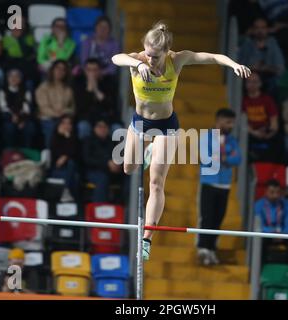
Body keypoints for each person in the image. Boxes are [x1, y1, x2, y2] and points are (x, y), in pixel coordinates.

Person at [112, 22, 251, 261]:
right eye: (147, 54)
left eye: (155, 56)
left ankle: (147, 238)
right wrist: (136, 63)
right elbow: (116, 58)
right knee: (129, 168)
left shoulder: (177, 60)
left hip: (167, 127)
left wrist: (234, 64)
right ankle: (149, 149)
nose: (150, 60)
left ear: (167, 52)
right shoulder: (138, 60)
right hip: (140, 123)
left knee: (156, 183)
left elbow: (213, 57)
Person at [197, 108, 241, 266]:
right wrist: (224, 158)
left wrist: (223, 158)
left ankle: (212, 248)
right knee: (207, 217)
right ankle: (202, 247)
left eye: (232, 123)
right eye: (228, 122)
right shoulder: (207, 137)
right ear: (219, 121)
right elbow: (206, 158)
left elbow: (238, 159)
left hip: (224, 184)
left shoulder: (232, 141)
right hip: (209, 182)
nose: (231, 126)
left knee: (218, 218)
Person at [254, 179, 288, 264]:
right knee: (259, 242)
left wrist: (283, 234)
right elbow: (259, 225)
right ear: (266, 191)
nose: (275, 195)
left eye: (278, 192)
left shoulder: (287, 204)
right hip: (266, 234)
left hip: (283, 234)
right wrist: (271, 233)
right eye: (272, 192)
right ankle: (261, 268)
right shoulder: (258, 205)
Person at [74, 58, 118, 140]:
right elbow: (80, 108)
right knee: (83, 127)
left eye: (94, 70)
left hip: (105, 119)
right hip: (87, 119)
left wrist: (96, 90)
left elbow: (110, 105)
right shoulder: (79, 83)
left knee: (117, 129)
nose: (91, 73)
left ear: (100, 71)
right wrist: (89, 91)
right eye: (89, 70)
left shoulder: (108, 83)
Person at [242, 72, 281, 162]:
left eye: (255, 82)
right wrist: (254, 132)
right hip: (249, 133)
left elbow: (274, 123)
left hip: (266, 132)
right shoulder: (242, 100)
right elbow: (242, 122)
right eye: (249, 81)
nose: (252, 84)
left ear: (260, 84)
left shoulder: (267, 100)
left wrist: (269, 133)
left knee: (279, 142)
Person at [239, 17, 284, 93]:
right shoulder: (247, 44)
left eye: (263, 27)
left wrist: (265, 68)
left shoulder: (273, 44)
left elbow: (280, 69)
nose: (260, 30)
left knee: (273, 83)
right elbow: (239, 66)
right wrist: (252, 67)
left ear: (267, 29)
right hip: (249, 78)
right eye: (257, 28)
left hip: (268, 79)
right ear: (253, 30)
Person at [36, 60, 75, 148]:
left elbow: (72, 108)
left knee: (68, 127)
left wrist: (64, 112)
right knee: (53, 127)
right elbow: (43, 107)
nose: (60, 71)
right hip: (47, 118)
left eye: (63, 69)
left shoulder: (68, 89)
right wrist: (56, 114)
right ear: (52, 70)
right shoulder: (43, 87)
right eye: (58, 68)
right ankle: (50, 155)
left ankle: (66, 157)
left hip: (63, 119)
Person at [82, 119, 121, 202]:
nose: (102, 129)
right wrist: (107, 163)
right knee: (102, 178)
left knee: (130, 176)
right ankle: (99, 208)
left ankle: (124, 208)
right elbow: (87, 160)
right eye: (99, 126)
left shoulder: (112, 142)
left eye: (105, 127)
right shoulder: (88, 141)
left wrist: (117, 165)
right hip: (92, 171)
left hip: (111, 171)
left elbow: (118, 158)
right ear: (94, 128)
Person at [0, 69, 35, 148]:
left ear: (20, 79)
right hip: (8, 117)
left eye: (16, 76)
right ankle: (9, 151)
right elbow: (3, 107)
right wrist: (12, 117)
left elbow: (27, 108)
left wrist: (21, 119)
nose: (13, 78)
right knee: (9, 128)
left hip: (23, 117)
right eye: (11, 76)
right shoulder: (3, 91)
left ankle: (26, 151)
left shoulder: (26, 91)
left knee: (29, 127)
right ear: (7, 78)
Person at [79, 16, 120, 84]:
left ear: (109, 30)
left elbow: (113, 67)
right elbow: (83, 62)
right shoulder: (87, 42)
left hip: (105, 76)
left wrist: (100, 73)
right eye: (100, 26)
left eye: (105, 27)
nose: (102, 29)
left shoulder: (114, 44)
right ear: (96, 27)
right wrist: (91, 73)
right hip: (88, 73)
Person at [2, 16, 38, 88]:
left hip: (26, 65)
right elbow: (2, 55)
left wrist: (20, 39)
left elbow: (30, 54)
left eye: (21, 23)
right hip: (10, 65)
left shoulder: (29, 38)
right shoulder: (5, 39)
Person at [50, 115, 77, 202]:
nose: (67, 126)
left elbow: (75, 152)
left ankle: (66, 191)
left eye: (69, 123)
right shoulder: (54, 138)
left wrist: (65, 156)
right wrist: (60, 136)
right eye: (64, 123)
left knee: (72, 165)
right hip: (57, 169)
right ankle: (65, 192)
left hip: (71, 169)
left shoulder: (75, 138)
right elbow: (55, 156)